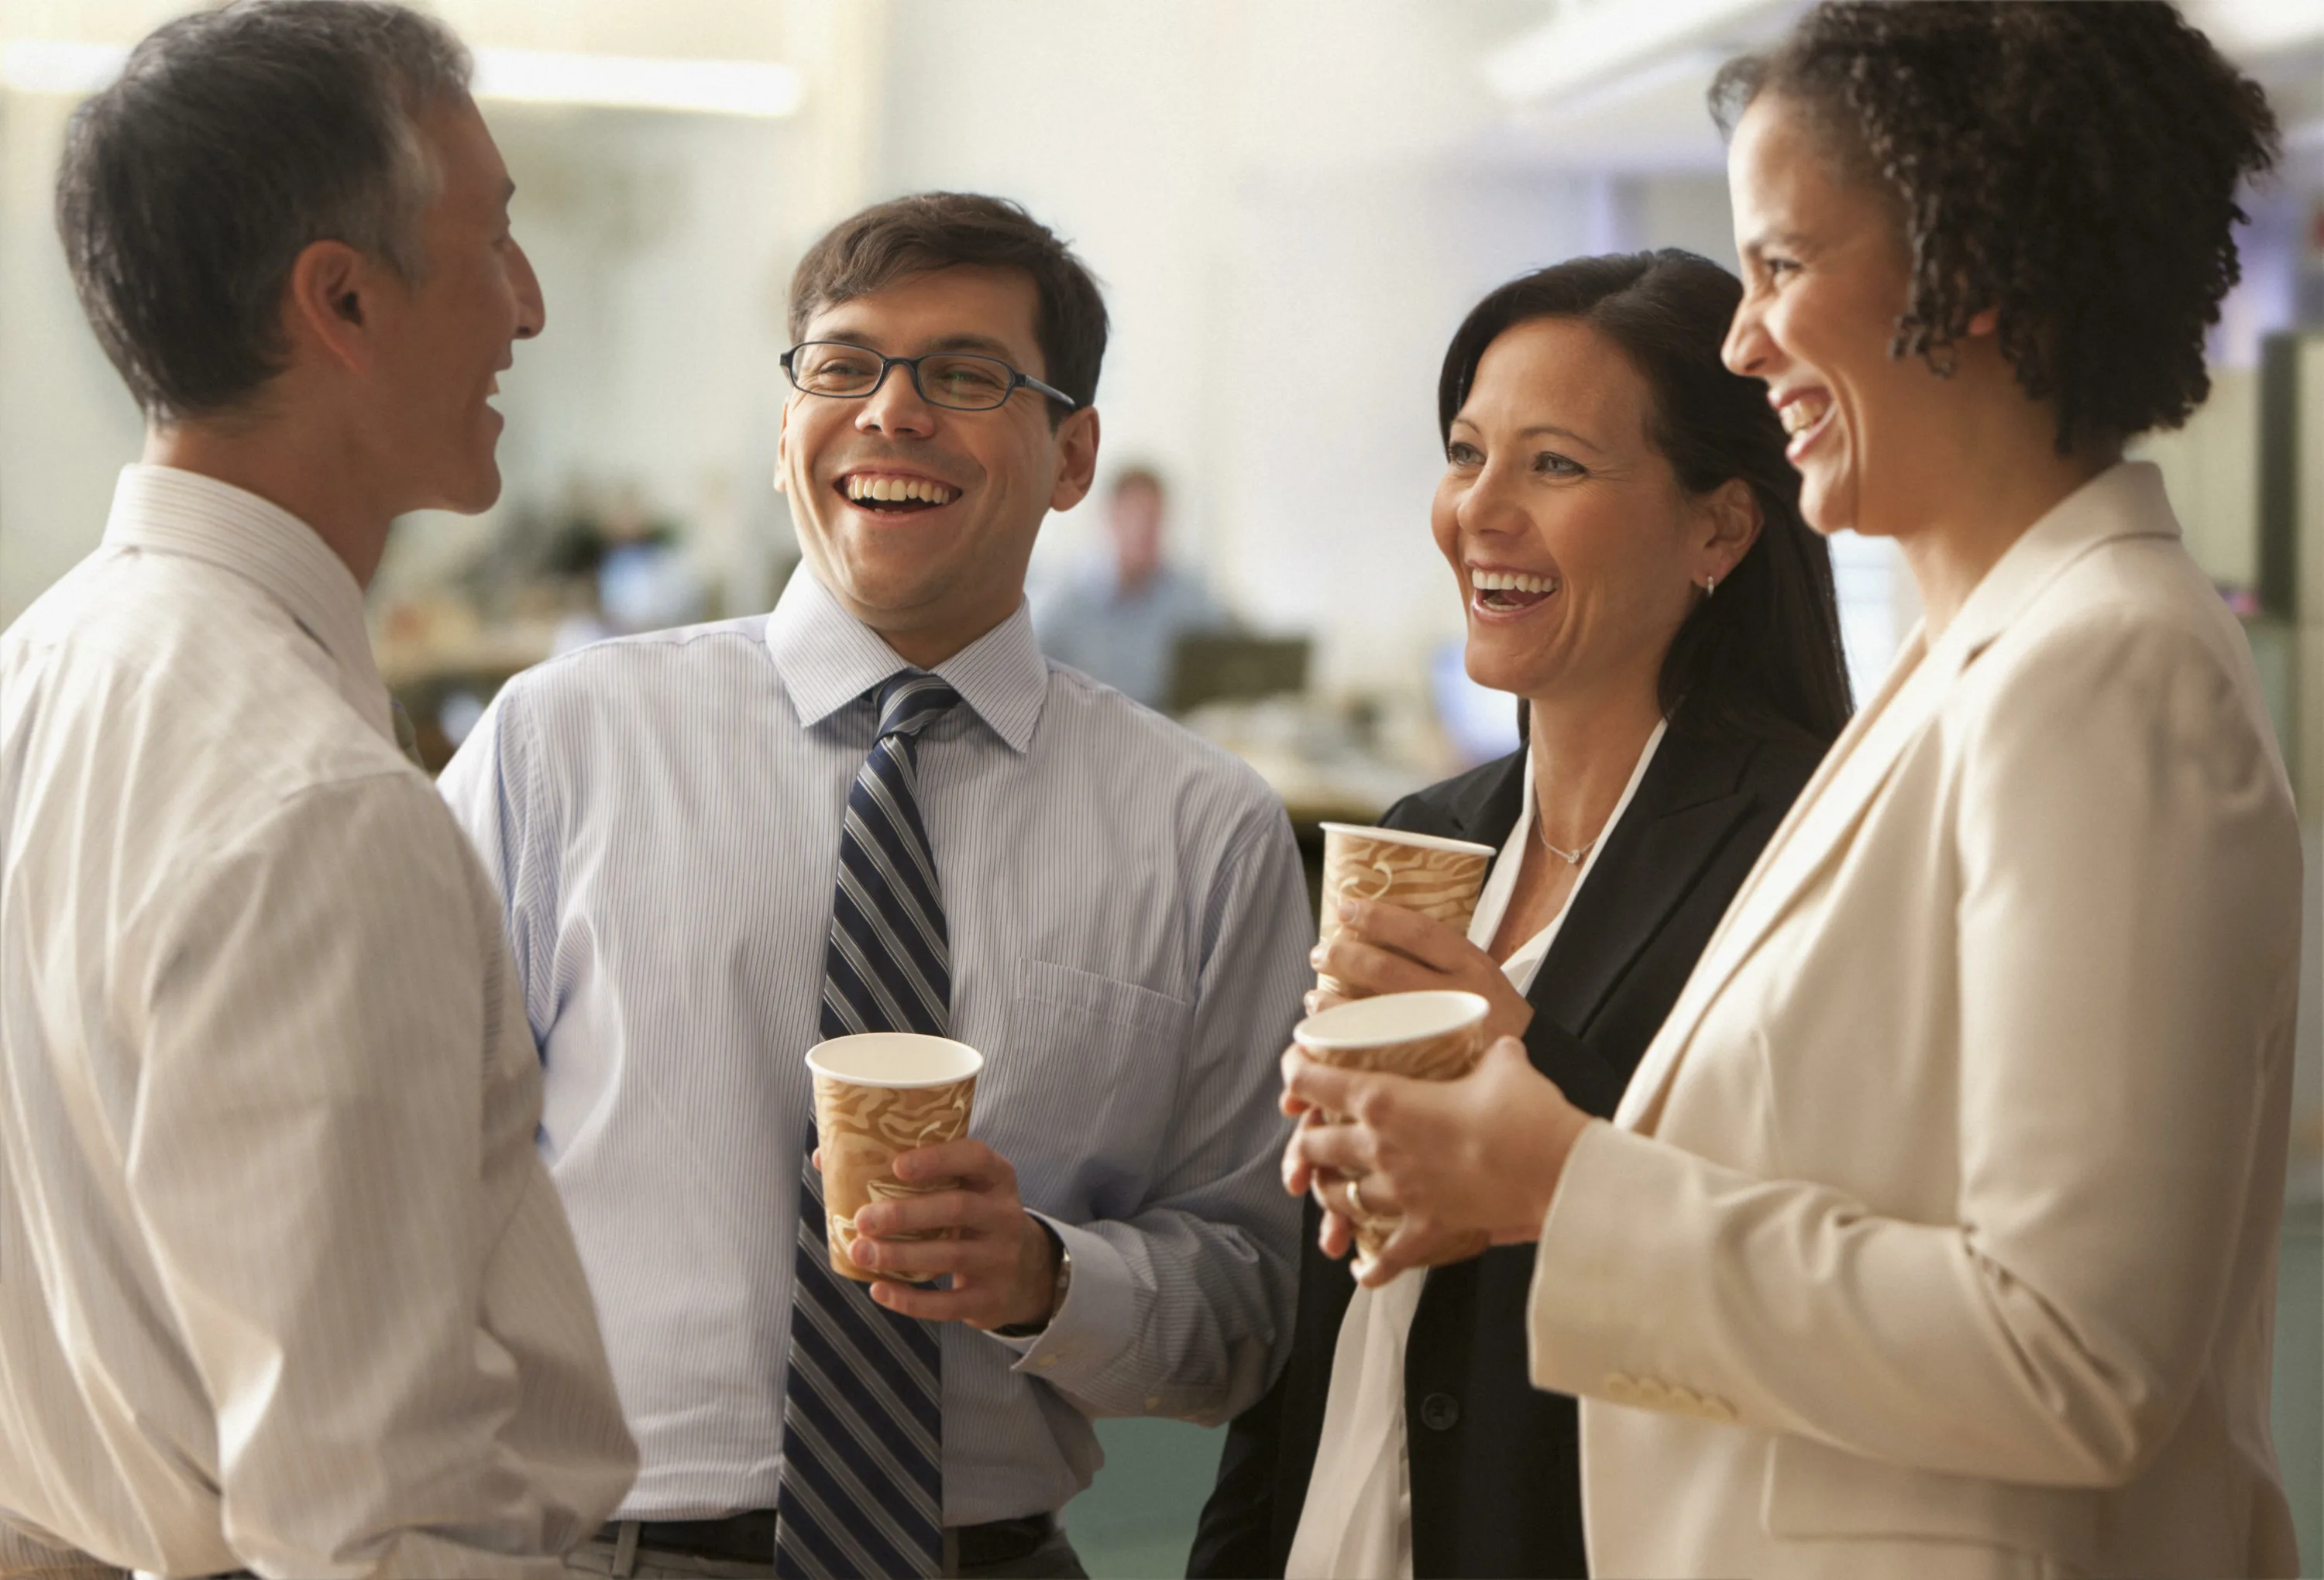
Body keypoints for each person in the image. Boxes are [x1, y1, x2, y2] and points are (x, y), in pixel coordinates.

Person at [1278, 5, 2302, 1577]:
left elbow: (2078, 1355)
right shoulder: (1967, 670)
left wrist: (1553, 1178)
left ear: (1970, 271)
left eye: (1780, 267)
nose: (1747, 346)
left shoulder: (2101, 670)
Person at [436, 193, 1311, 1580]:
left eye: (966, 376)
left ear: (1073, 454)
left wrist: (1050, 1276)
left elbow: (1258, 1304)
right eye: (843, 365)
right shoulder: (561, 746)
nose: (891, 411)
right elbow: (393, 1178)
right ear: (790, 424)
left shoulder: (1203, 830)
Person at [0, 5, 636, 1577]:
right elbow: (370, 1537)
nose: (529, 305)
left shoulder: (39, 670)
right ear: (342, 299)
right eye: (494, 241)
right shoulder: (322, 811)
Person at [1190, 252, 1851, 1579]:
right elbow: (1326, 1307)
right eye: (1465, 453)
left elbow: (1803, 1266)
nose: (1478, 512)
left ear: (1721, 530)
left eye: (1554, 464)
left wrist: (1527, 1059)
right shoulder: (1427, 838)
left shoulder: (1811, 847)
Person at [1032, 465, 1228, 708]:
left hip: (1171, 724)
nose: (1144, 531)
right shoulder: (1063, 604)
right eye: (1136, 518)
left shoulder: (1190, 598)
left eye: (1153, 519)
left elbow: (1227, 664)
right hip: (1089, 725)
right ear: (1111, 519)